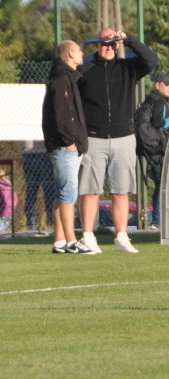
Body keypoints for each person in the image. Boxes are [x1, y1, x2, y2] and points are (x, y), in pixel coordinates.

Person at [77, 28, 159, 253]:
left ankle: (121, 236)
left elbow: (152, 60)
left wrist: (130, 40)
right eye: (105, 44)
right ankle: (87, 236)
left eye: (113, 44)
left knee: (120, 190)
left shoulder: (127, 67)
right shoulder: (85, 68)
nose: (109, 48)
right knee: (90, 189)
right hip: (93, 138)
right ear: (97, 45)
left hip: (124, 137)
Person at [41, 40, 92, 254]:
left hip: (70, 146)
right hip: (65, 147)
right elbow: (63, 115)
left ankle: (60, 241)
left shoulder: (68, 77)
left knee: (63, 194)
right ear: (70, 53)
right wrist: (69, 140)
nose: (82, 54)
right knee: (68, 194)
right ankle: (71, 241)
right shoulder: (62, 79)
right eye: (79, 51)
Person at [135, 71, 169, 230]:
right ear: (157, 84)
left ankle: (157, 220)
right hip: (159, 149)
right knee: (162, 185)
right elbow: (160, 123)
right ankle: (157, 221)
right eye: (167, 84)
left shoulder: (149, 100)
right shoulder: (160, 102)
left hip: (151, 149)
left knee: (160, 184)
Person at [20, 140, 55, 230]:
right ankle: (50, 221)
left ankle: (31, 221)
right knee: (48, 191)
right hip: (43, 154)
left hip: (28, 154)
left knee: (31, 190)